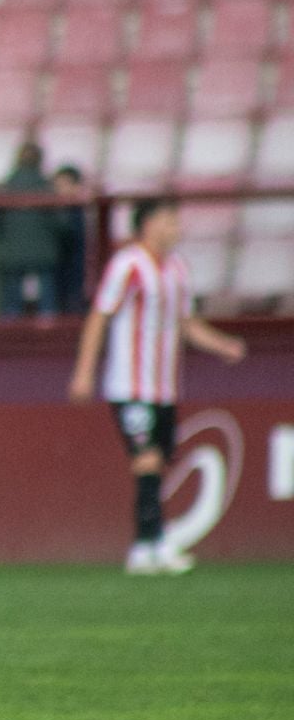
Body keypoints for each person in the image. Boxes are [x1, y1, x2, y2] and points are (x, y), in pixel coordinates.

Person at [68, 198, 247, 576]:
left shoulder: (177, 269)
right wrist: (84, 372)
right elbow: (100, 316)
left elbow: (186, 323)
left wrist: (222, 344)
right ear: (147, 225)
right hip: (129, 385)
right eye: (168, 221)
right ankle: (150, 542)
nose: (175, 228)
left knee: (160, 461)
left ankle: (149, 544)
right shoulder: (127, 266)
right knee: (146, 458)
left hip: (164, 387)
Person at [0, 141, 64, 319]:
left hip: (12, 251)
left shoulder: (6, 188)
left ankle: (9, 331)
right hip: (44, 251)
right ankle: (48, 325)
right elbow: (59, 222)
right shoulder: (47, 188)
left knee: (11, 303)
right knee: (47, 299)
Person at [51, 164, 89, 314]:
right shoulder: (56, 210)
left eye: (64, 185)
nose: (59, 190)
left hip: (74, 263)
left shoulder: (76, 211)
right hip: (60, 263)